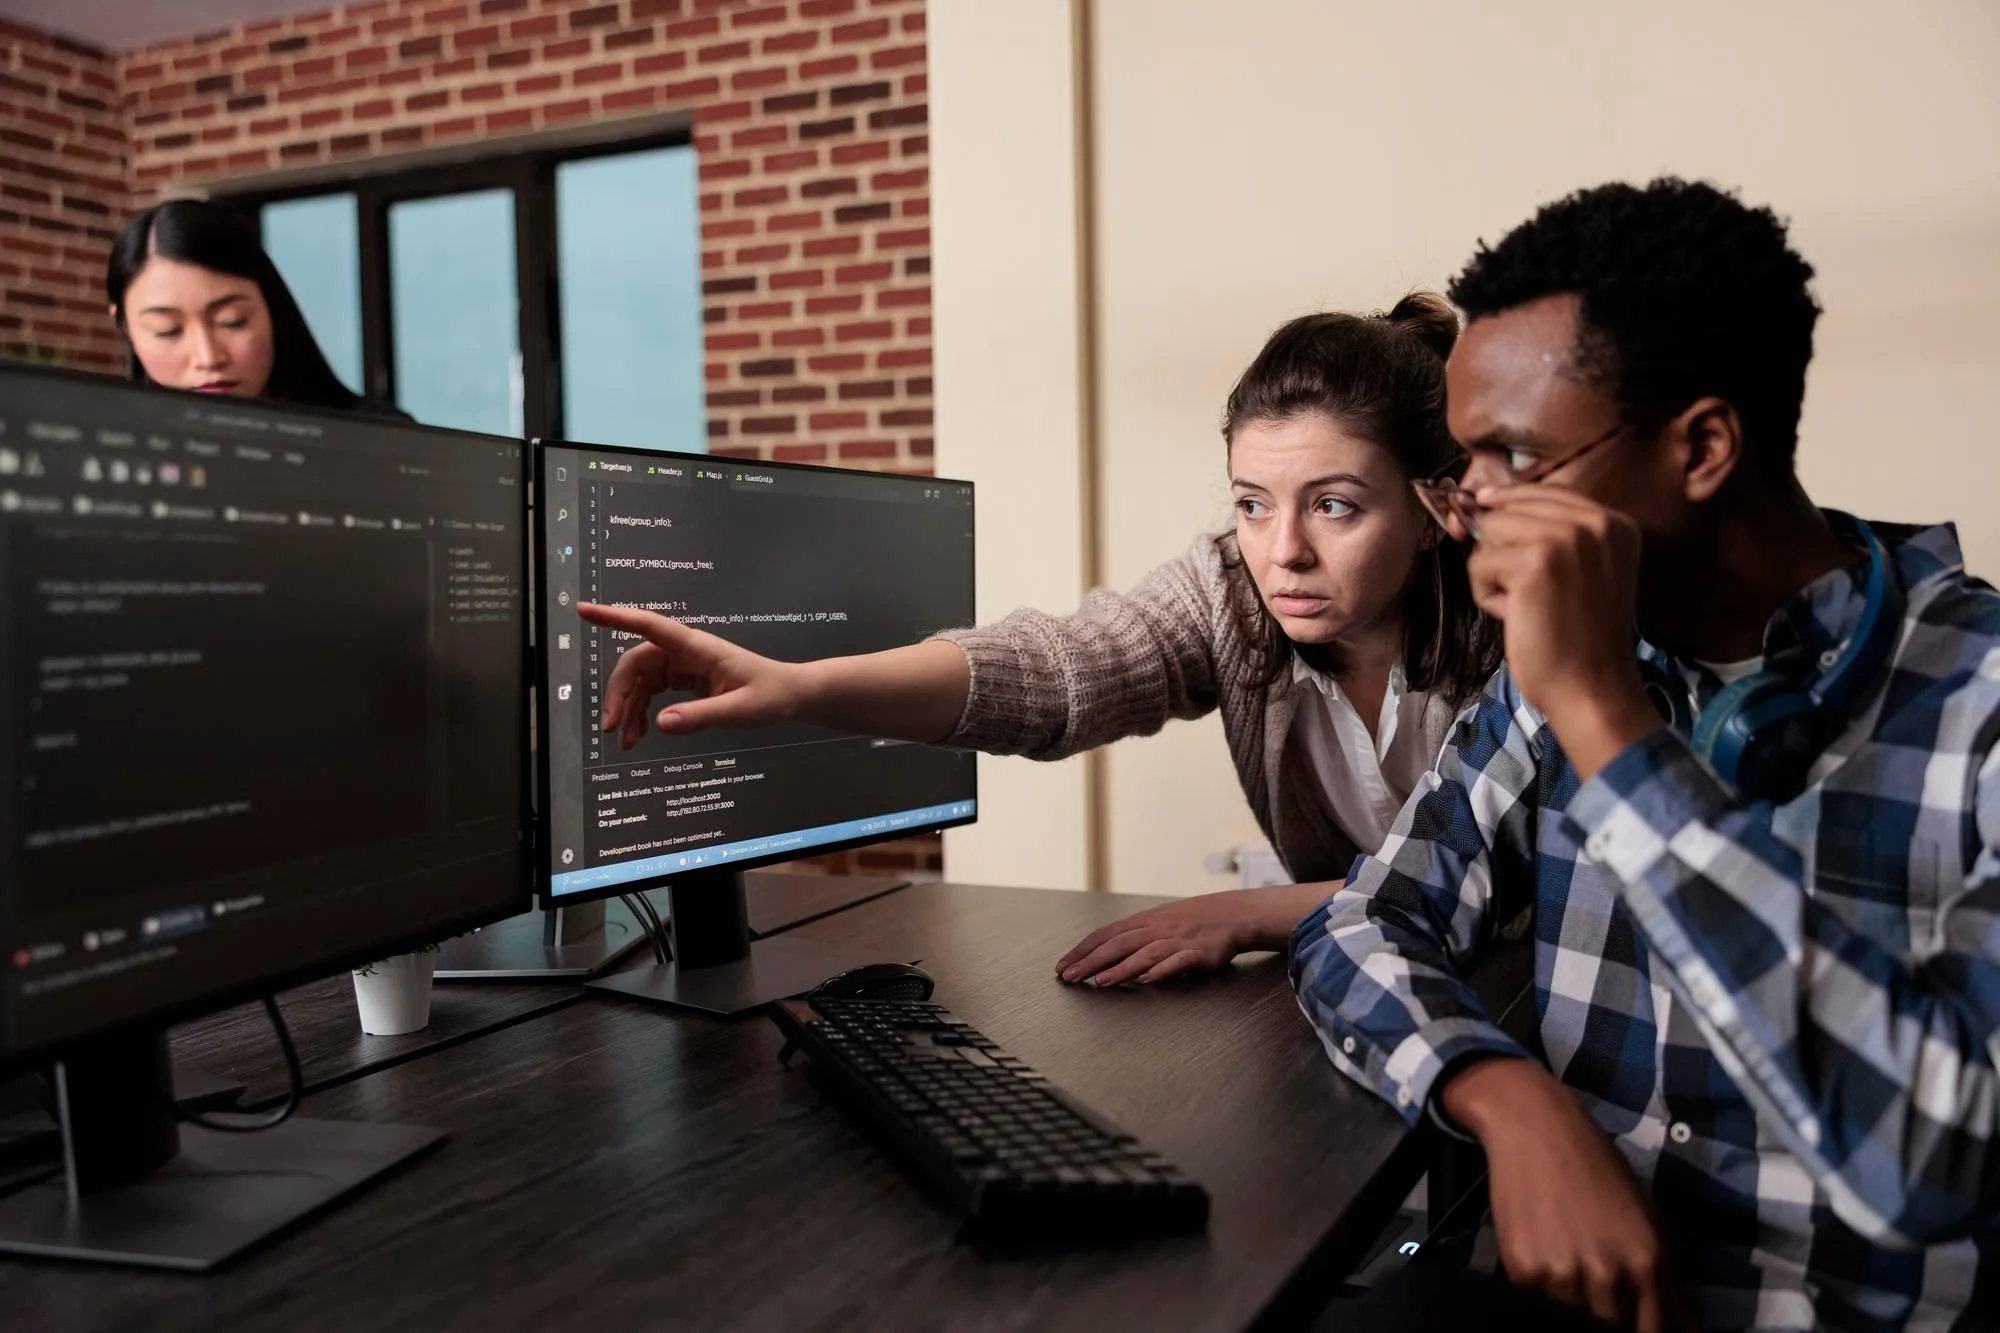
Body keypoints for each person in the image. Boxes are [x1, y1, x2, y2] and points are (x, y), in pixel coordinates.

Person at [1297, 177, 2000, 1332]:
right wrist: (1508, 1099)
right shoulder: (1543, 675)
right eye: (1461, 469)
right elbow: (1364, 922)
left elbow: (1927, 1156)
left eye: (1511, 458)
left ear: (1703, 447)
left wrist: (1608, 726)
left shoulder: (1975, 698)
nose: (1471, 513)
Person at [579, 295, 1501, 985]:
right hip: (1378, 987)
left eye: (1334, 505)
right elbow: (1061, 673)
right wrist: (800, 685)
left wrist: (1258, 913)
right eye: (1252, 504)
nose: (1283, 551)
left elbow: (1498, 881)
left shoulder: (1516, 622)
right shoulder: (1230, 589)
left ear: (1433, 509)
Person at [106, 198, 399, 415]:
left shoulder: (380, 437)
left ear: (271, 308)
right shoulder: (102, 445)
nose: (208, 358)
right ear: (126, 328)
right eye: (167, 330)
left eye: (232, 321)